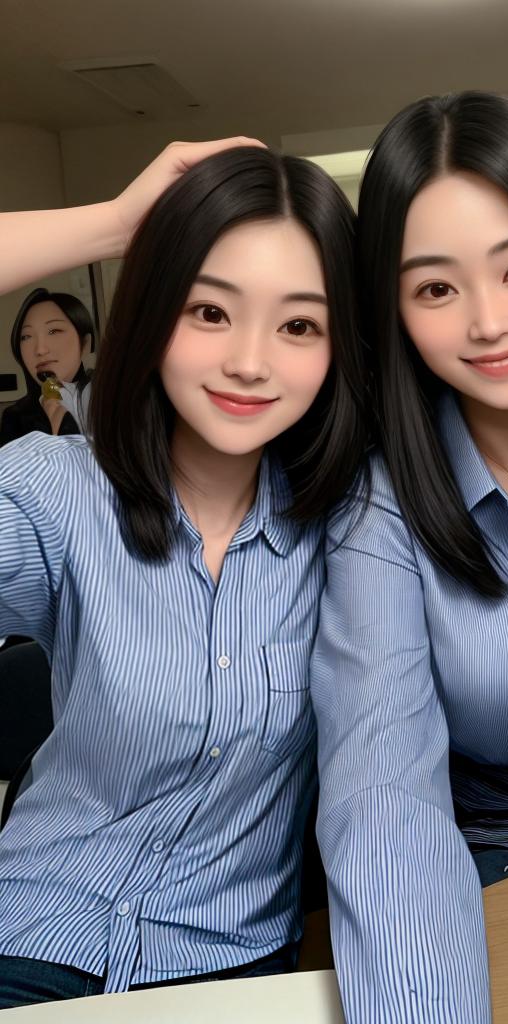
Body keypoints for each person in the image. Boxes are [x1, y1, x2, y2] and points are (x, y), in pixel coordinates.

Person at [0, 140, 369, 1006]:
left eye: (299, 325)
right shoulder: (57, 492)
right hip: (30, 939)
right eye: (209, 312)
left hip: (227, 970)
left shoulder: (357, 527)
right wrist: (115, 225)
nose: (250, 361)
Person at [311, 91, 508, 1022]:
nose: (488, 322)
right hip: (480, 869)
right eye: (436, 288)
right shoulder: (379, 510)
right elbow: (384, 792)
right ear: (395, 308)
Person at [0, 288, 94, 447]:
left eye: (54, 331)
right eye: (26, 336)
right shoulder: (15, 418)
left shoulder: (112, 399)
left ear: (85, 344)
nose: (40, 350)